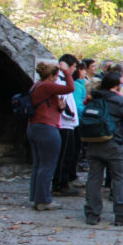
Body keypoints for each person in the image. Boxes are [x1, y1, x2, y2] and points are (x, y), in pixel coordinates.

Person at [82, 72, 123, 226]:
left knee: (94, 179)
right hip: (113, 142)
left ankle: (92, 214)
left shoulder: (93, 97)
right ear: (117, 84)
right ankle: (121, 215)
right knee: (118, 179)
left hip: (93, 142)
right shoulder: (119, 100)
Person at [27, 59, 75, 211]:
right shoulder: (47, 85)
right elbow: (69, 88)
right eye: (57, 75)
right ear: (52, 75)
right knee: (48, 165)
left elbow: (47, 107)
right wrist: (66, 71)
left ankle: (36, 196)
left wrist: (60, 108)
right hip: (47, 129)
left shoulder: (36, 86)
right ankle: (44, 201)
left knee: (39, 164)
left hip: (34, 127)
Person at [51, 54, 81, 197]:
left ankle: (63, 182)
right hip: (64, 125)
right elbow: (64, 102)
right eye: (74, 66)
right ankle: (60, 184)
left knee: (68, 155)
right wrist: (71, 116)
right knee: (64, 156)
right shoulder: (60, 82)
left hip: (68, 124)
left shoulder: (61, 81)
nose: (75, 70)